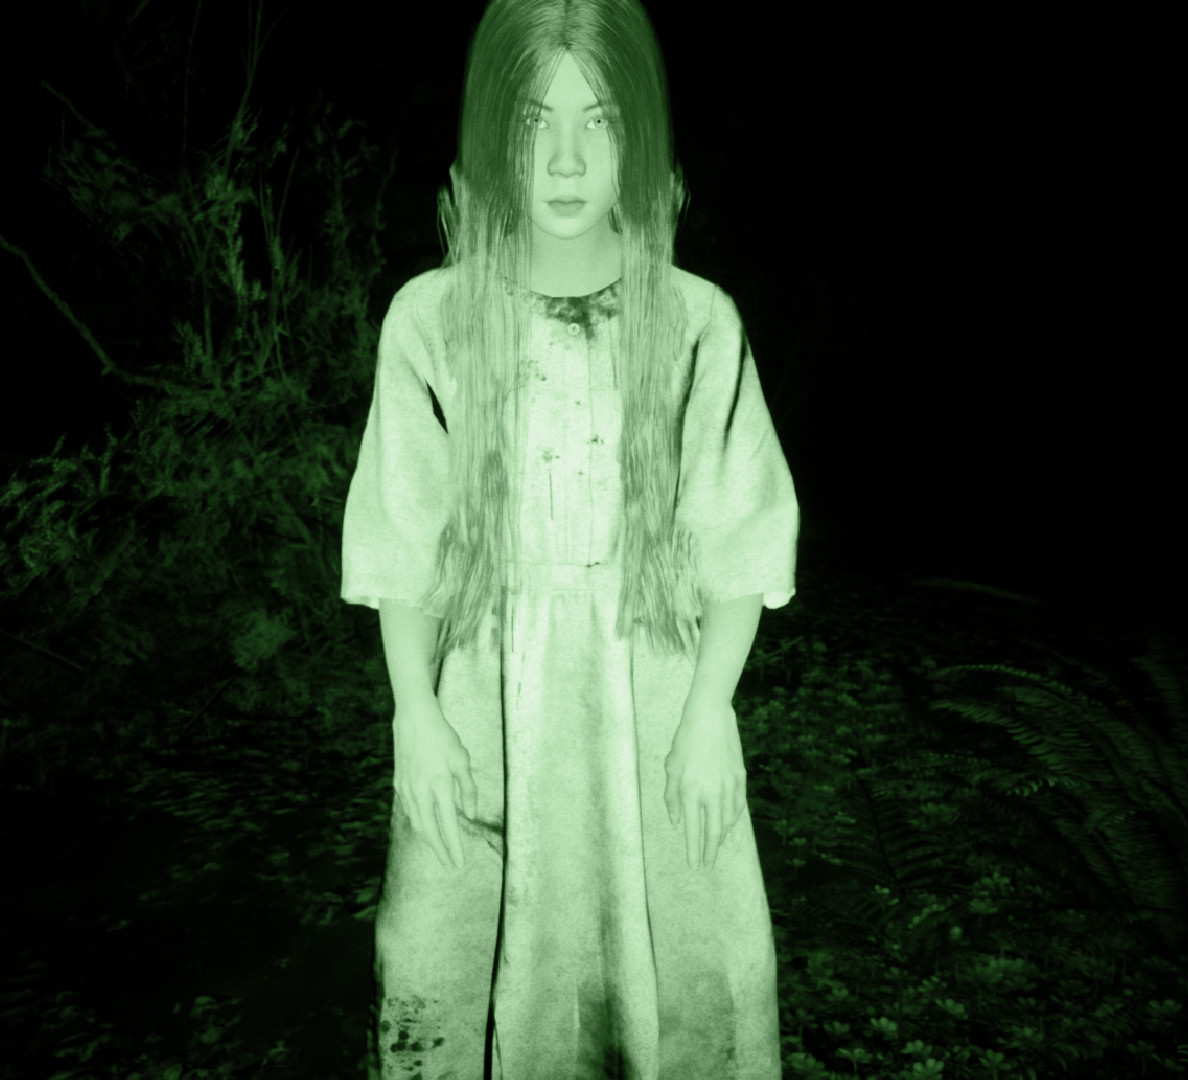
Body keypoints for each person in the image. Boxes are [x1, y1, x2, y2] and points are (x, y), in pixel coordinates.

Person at [339, 1, 798, 1075]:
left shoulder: (697, 321)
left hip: (657, 706)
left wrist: (708, 714)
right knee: (447, 968)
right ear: (492, 129)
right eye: (535, 119)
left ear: (638, 132)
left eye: (598, 120)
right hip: (484, 711)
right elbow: (402, 540)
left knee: (697, 976)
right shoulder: (430, 320)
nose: (565, 158)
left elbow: (739, 534)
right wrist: (415, 717)